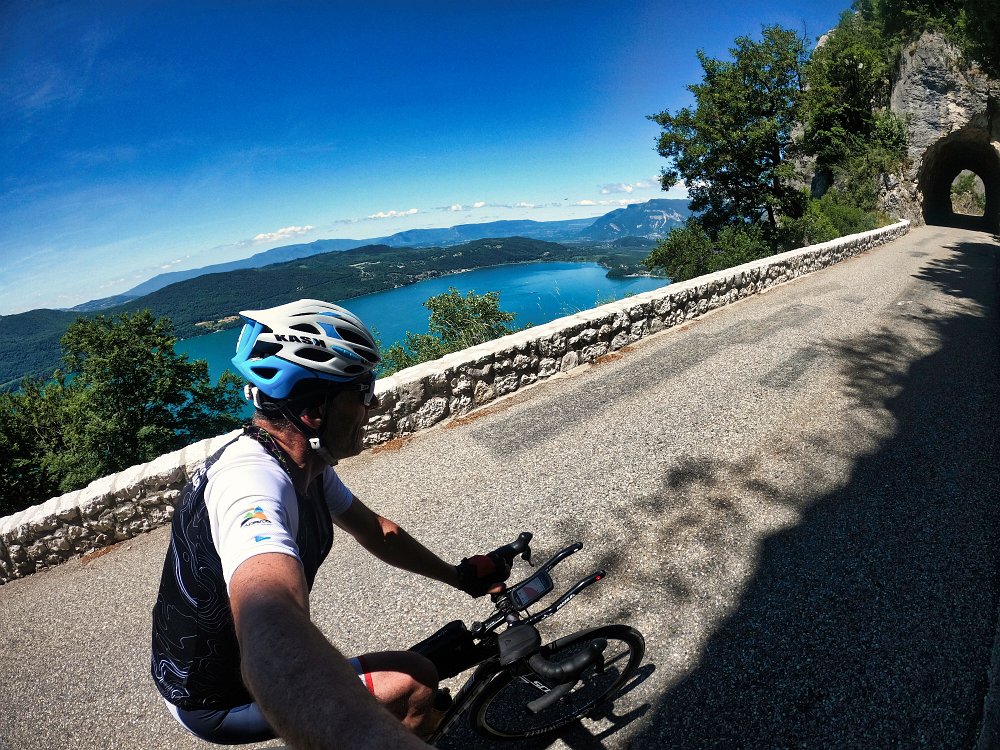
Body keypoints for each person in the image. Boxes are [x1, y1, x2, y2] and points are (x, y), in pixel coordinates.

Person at [150, 299, 511, 748]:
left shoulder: (304, 464)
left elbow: (377, 532)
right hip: (215, 698)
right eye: (363, 391)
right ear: (314, 412)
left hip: (217, 670)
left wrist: (458, 576)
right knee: (416, 681)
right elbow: (269, 621)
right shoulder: (250, 484)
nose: (373, 405)